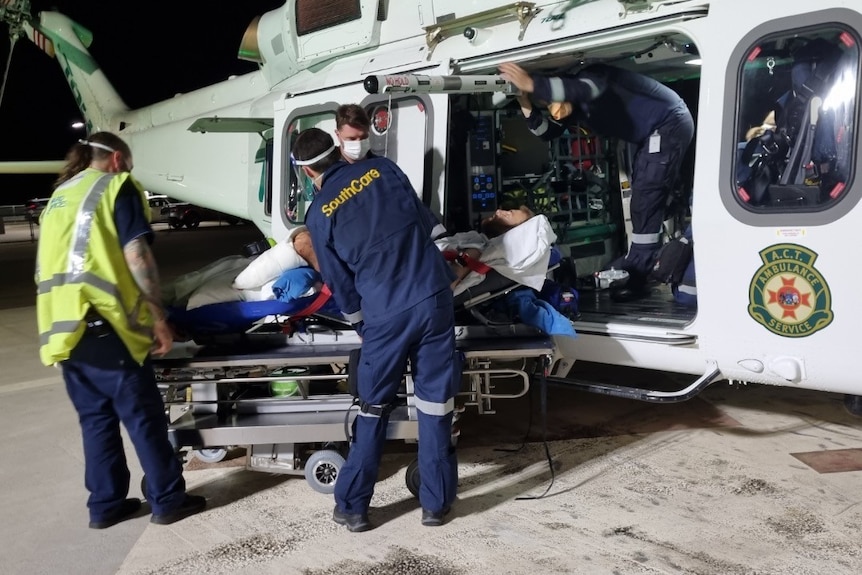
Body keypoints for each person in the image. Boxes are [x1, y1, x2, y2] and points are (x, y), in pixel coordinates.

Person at [292, 128, 461, 531]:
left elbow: (341, 284)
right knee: (436, 404)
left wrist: (362, 325)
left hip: (385, 313)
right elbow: (425, 222)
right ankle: (436, 505)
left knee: (373, 409)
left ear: (308, 173)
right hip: (433, 298)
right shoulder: (383, 169)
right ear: (339, 152)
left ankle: (353, 507)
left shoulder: (318, 214)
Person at [35, 132, 206, 529]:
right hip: (108, 327)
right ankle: (168, 500)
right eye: (127, 164)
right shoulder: (115, 187)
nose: (129, 171)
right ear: (116, 159)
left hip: (65, 332)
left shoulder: (60, 197)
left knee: (96, 422)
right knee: (144, 418)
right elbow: (137, 253)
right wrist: (158, 317)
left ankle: (105, 505)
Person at [499, 61, 695, 301]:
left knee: (645, 194)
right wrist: (524, 100)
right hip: (650, 134)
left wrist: (531, 83)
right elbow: (546, 131)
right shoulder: (576, 108)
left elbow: (582, 89)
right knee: (644, 194)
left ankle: (639, 273)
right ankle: (640, 261)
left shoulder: (592, 78)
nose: (553, 110)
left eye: (549, 101)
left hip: (668, 122)